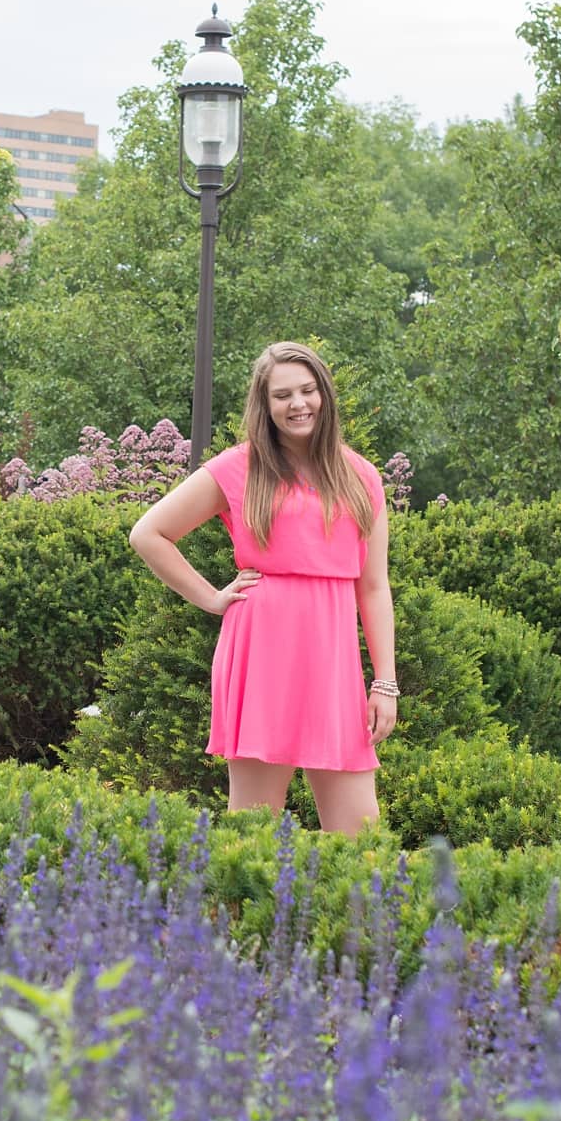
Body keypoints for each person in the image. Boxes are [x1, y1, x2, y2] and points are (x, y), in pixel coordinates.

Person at [128, 342, 398, 835]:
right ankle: (241, 912)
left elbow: (374, 588)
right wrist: (211, 597)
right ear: (265, 404)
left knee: (360, 834)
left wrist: (384, 681)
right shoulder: (238, 467)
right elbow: (148, 533)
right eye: (282, 395)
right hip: (262, 653)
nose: (298, 404)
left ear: (324, 395)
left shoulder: (361, 476)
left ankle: (353, 916)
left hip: (334, 661)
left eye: (308, 390)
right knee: (252, 830)